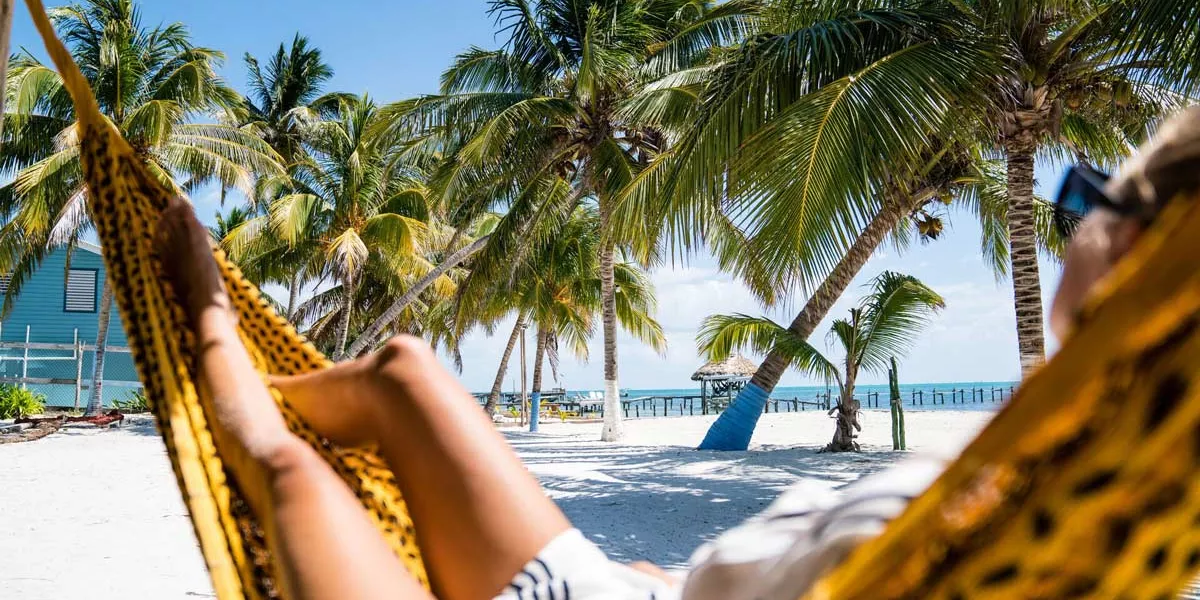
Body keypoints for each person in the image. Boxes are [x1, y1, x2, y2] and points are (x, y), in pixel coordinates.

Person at [155, 105, 1200, 600]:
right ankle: (263, 379)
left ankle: (221, 360)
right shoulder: (1096, 502)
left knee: (280, 463)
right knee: (406, 370)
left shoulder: (1008, 511)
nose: (1071, 224)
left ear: (1150, 262)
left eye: (1086, 201)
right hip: (636, 593)